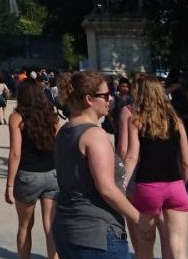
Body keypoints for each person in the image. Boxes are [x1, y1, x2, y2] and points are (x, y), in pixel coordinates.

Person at [53, 71, 140, 259]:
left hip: (66, 228)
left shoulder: (65, 131)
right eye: (106, 95)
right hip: (97, 232)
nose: (110, 99)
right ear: (89, 99)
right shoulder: (94, 136)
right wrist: (139, 218)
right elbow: (106, 188)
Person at [122, 75, 188, 259]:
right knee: (178, 248)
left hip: (147, 186)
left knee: (145, 244)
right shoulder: (176, 121)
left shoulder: (136, 121)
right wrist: (181, 182)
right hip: (175, 185)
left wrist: (122, 185)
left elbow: (132, 156)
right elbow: (185, 161)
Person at [7, 79, 60, 259]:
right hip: (52, 173)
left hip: (28, 175)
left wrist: (9, 185)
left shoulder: (17, 117)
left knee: (25, 225)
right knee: (51, 226)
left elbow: (15, 153)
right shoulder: (52, 116)